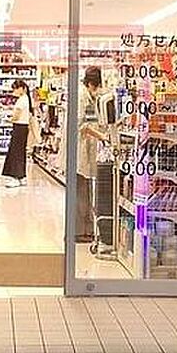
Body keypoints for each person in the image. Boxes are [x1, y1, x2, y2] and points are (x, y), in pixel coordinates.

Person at [77, 66, 107, 242]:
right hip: (81, 150)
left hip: (87, 149)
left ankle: (87, 229)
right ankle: (80, 231)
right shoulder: (83, 98)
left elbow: (91, 121)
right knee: (81, 190)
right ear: (90, 84)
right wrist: (102, 136)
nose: (97, 90)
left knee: (85, 189)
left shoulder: (89, 97)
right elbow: (83, 125)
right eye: (96, 86)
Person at [2, 79, 32, 187]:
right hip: (23, 128)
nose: (14, 91)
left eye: (15, 88)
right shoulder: (26, 98)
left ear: (22, 88)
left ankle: (15, 177)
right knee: (20, 152)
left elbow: (16, 116)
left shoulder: (21, 100)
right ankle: (22, 177)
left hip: (19, 128)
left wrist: (9, 120)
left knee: (15, 153)